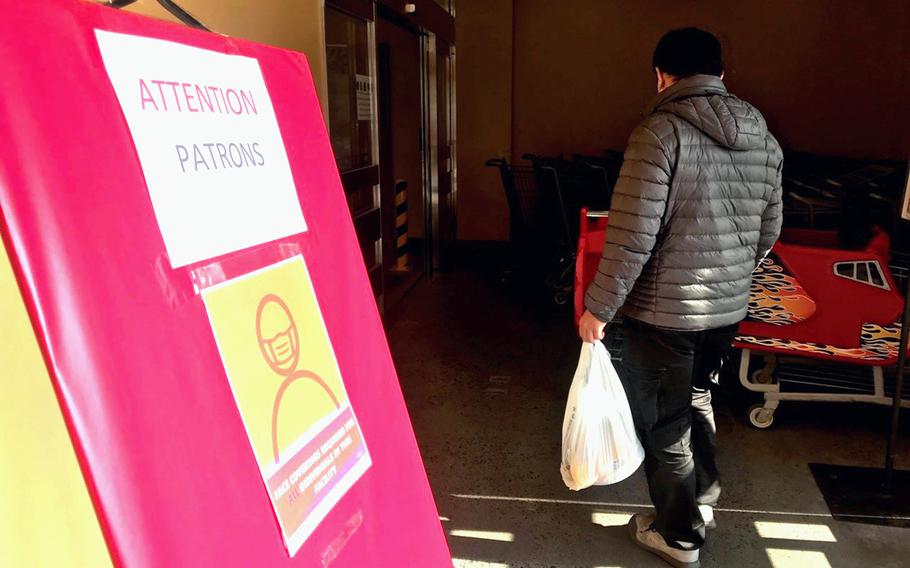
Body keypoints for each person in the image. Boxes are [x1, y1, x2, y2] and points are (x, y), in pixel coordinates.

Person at [578, 28, 783, 568]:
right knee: (697, 399)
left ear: (661, 75)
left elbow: (631, 236)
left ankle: (679, 536)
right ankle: (701, 504)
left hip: (667, 310)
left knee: (667, 421)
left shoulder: (659, 133)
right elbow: (770, 227)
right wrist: (733, 275)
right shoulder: (762, 135)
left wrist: (599, 307)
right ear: (721, 76)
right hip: (726, 308)